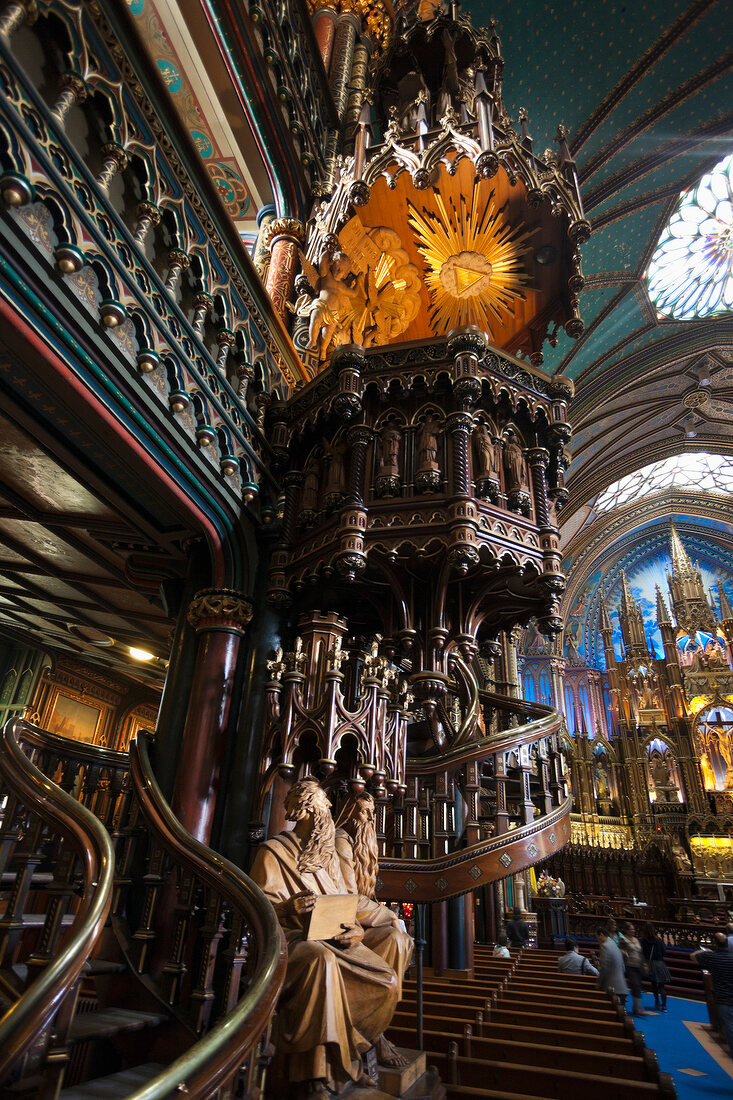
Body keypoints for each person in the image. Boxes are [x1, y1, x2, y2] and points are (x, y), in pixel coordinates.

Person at [250, 779, 411, 1098]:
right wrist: (286, 907)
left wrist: (358, 928)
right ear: (306, 811)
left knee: (389, 976)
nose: (328, 820)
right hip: (292, 940)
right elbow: (257, 909)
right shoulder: (272, 852)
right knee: (320, 960)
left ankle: (356, 1048)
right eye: (323, 812)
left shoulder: (327, 856)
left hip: (332, 936)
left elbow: (347, 903)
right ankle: (318, 1076)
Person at [692, 932, 733, 1054]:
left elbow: (693, 956)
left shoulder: (713, 957)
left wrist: (706, 951)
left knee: (728, 1025)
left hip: (723, 998)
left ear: (715, 944)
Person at [596, 926, 629, 1007]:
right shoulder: (613, 943)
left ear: (601, 935)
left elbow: (604, 968)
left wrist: (599, 983)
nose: (597, 940)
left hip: (613, 988)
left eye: (597, 937)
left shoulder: (604, 946)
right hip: (621, 986)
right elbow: (622, 966)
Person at [641, 922, 671, 1011]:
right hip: (659, 964)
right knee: (662, 986)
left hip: (650, 964)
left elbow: (643, 953)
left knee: (654, 985)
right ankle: (664, 1005)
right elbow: (664, 952)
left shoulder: (644, 941)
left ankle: (657, 1001)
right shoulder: (659, 940)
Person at [619, 922, 646, 1016]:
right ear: (626, 930)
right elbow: (619, 949)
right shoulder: (623, 939)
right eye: (631, 929)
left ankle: (636, 1006)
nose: (633, 931)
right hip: (629, 965)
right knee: (635, 985)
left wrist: (644, 964)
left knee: (638, 986)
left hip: (638, 965)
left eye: (634, 929)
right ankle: (636, 1007)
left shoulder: (636, 939)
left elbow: (640, 952)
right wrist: (623, 952)